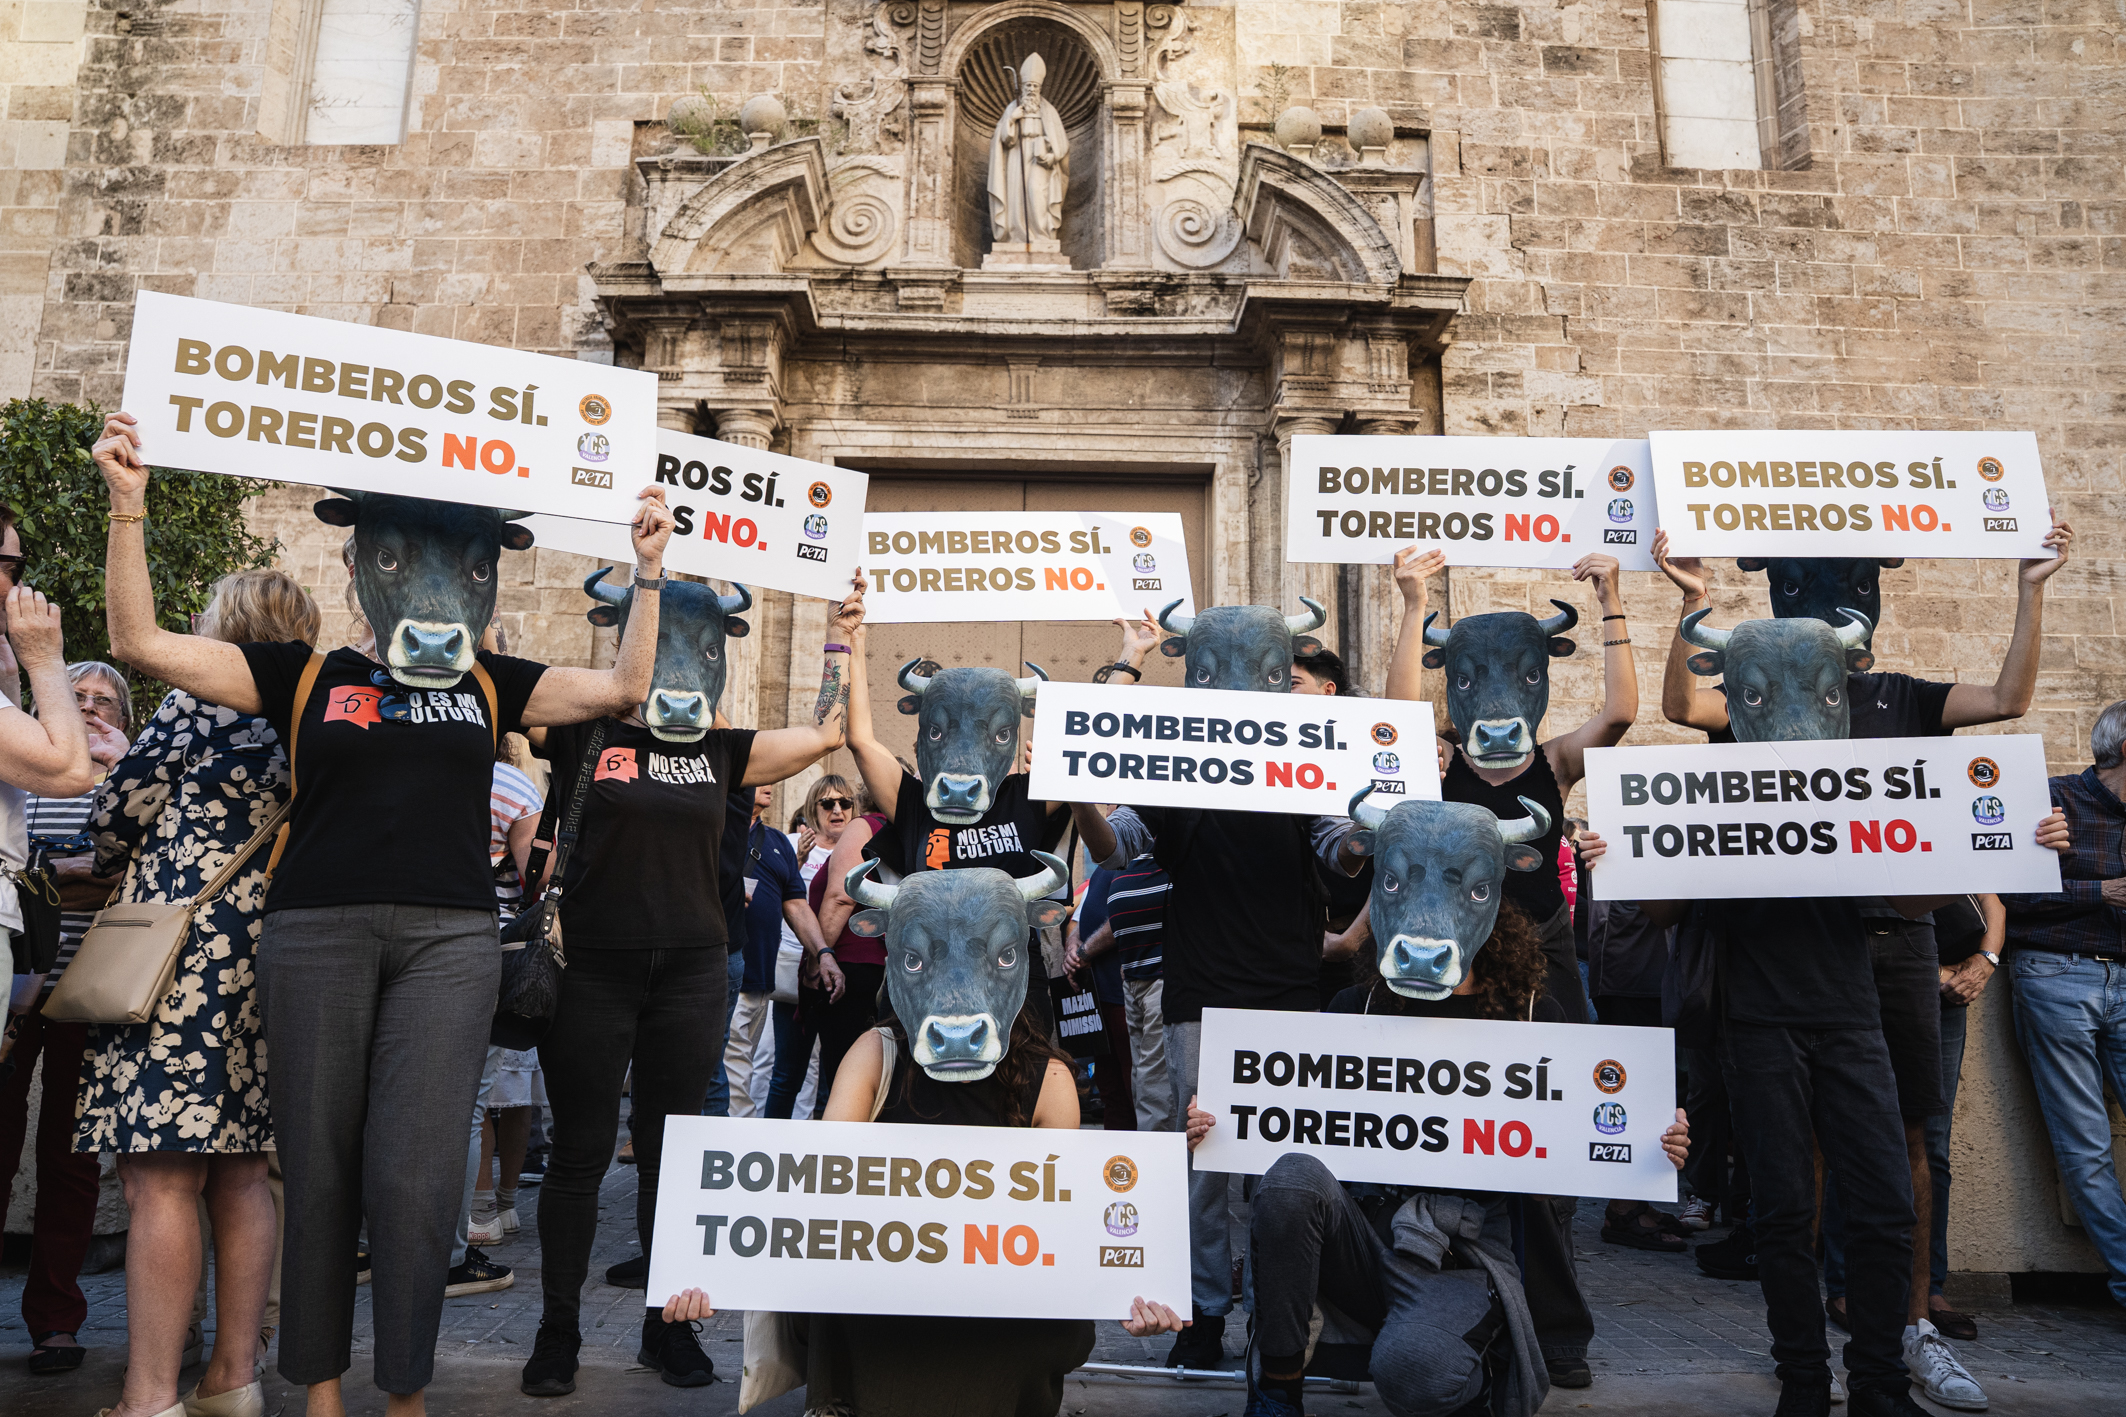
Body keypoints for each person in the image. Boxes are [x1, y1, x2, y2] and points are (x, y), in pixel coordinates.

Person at [94, 408, 675, 1417]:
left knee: (413, 1179)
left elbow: (627, 686)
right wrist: (127, 504)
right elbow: (137, 643)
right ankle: (319, 1389)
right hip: (314, 933)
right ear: (361, 566)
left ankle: (404, 1393)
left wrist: (650, 568)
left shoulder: (491, 682)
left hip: (449, 943)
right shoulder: (306, 675)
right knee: (317, 1170)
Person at [1655, 523, 2074, 1410]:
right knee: (1783, 1204)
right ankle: (1805, 1378)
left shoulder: (1891, 707)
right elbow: (1683, 713)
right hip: (1764, 1002)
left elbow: (1923, 878)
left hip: (1862, 987)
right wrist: (1691, 605)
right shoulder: (1737, 735)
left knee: (1890, 1187)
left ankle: (1885, 1366)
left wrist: (2008, 842)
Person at [518, 570, 864, 1398]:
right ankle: (558, 1331)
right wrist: (642, 585)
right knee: (579, 1154)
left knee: (672, 1157)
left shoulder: (724, 749)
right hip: (592, 968)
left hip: (692, 973)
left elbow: (825, 734)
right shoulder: (585, 731)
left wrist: (840, 633)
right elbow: (504, 690)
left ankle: (666, 1328)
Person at [1208, 905, 1694, 1417]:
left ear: (1485, 914)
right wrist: (1221, 1124)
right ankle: (1277, 1393)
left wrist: (1654, 1140)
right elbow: (1288, 1116)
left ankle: (1472, 1364)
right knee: (1291, 1178)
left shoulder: (1533, 1016)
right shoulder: (1358, 1007)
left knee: (1416, 1374)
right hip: (1362, 1241)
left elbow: (1567, 1155)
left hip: (1457, 1261)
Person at [1071, 604, 1366, 1369]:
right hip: (1199, 992)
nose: (1234, 686)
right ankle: (1203, 1311)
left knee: (1287, 1167)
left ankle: (1280, 1314)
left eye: (1258, 671)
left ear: (1277, 678)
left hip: (1289, 991)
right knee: (1203, 1160)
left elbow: (1338, 845)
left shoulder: (1309, 764)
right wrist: (1076, 795)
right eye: (1213, 671)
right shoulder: (1172, 766)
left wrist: (1368, 833)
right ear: (1194, 677)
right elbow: (1115, 846)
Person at [75, 569, 320, 1417]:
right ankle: (231, 1379)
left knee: (160, 1178)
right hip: (271, 954)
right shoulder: (312, 712)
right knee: (243, 1173)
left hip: (179, 961)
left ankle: (148, 1397)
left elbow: (112, 822)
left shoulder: (197, 702)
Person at [4, 660, 127, 1377]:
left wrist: (51, 876)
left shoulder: (123, 779)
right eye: (74, 695)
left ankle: (55, 1319)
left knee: (72, 1158)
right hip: (13, 987)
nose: (86, 708)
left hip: (92, 987)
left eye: (102, 700)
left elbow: (124, 871)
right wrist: (70, 873)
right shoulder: (26, 767)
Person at [1999, 699, 2126, 1313]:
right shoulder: (2051, 800)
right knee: (2085, 1145)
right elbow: (2007, 892)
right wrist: (2101, 891)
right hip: (2056, 976)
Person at [723, 783, 825, 1118]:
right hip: (725, 976)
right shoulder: (716, 830)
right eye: (760, 777)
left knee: (744, 1063)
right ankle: (741, 1138)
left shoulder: (778, 841)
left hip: (761, 979)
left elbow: (796, 905)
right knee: (736, 1071)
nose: (769, 784)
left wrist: (823, 952)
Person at [764, 774, 858, 1120]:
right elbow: (774, 901)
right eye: (828, 803)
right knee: (787, 1072)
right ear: (813, 808)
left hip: (844, 973)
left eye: (845, 803)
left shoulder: (863, 849)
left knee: (838, 1076)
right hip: (796, 969)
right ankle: (772, 1140)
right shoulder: (791, 844)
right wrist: (798, 863)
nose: (838, 811)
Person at [1062, 862, 1133, 1128]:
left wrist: (1083, 953)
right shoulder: (1105, 865)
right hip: (1097, 997)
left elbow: (1125, 915)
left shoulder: (1142, 857)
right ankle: (1115, 1148)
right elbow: (1079, 918)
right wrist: (1072, 947)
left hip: (1124, 996)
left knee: (1134, 1085)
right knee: (1109, 1087)